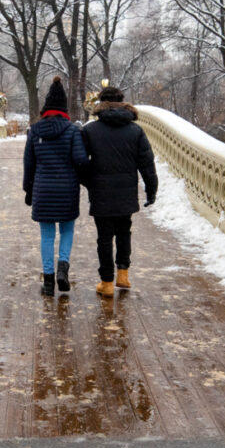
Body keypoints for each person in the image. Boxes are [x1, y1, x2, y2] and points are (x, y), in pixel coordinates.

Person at [80, 85, 158, 297]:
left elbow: (79, 162)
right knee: (124, 232)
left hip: (101, 193)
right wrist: (151, 191)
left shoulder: (89, 131)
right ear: (123, 102)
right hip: (126, 193)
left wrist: (90, 181)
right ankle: (123, 274)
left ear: (100, 104)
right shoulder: (135, 130)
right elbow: (147, 165)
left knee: (104, 238)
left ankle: (106, 283)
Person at [22, 77, 88, 296]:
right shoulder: (71, 131)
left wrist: (28, 191)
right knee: (67, 230)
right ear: (64, 109)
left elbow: (28, 165)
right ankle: (63, 269)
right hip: (67, 189)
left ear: (45, 108)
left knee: (47, 235)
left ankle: (48, 281)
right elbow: (80, 160)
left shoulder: (34, 131)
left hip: (43, 189)